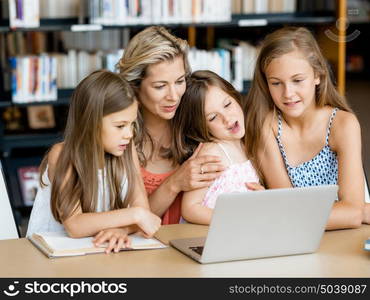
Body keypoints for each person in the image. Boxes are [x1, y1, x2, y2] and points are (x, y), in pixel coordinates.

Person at [244, 26, 369, 229]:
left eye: (297, 80)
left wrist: (281, 210)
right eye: (276, 83)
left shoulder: (343, 124)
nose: (288, 93)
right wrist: (351, 211)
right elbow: (286, 205)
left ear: (317, 75)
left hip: (343, 237)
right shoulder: (266, 126)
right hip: (298, 239)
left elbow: (352, 215)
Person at [26, 70, 161, 253]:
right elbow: (75, 226)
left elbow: (144, 216)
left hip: (96, 252)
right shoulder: (62, 155)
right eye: (120, 126)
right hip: (52, 255)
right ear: (91, 122)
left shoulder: (127, 151)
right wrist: (133, 215)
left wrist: (120, 229)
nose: (129, 134)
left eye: (132, 124)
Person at [118, 26, 225, 224]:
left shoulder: (197, 124)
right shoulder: (121, 139)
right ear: (134, 86)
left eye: (179, 81)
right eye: (160, 86)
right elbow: (130, 223)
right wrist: (174, 183)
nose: (174, 96)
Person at [172, 70, 260, 225]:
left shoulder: (245, 145)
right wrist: (231, 221)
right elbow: (190, 208)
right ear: (201, 127)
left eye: (227, 104)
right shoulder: (212, 153)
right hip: (212, 234)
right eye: (213, 117)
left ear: (235, 97)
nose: (227, 118)